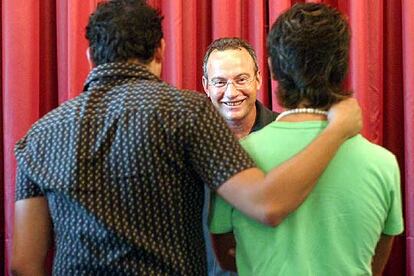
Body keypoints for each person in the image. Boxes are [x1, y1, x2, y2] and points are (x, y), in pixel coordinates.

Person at [11, 1, 362, 275]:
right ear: (161, 50)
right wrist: (337, 129)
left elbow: (23, 264)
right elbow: (267, 205)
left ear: (90, 56)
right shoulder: (186, 112)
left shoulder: (37, 137)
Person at [209, 3, 404, 276]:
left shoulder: (235, 158)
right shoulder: (384, 164)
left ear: (270, 70)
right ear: (343, 67)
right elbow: (374, 263)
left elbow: (227, 256)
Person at [201, 37, 277, 276]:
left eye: (241, 79)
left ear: (258, 79)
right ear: (206, 86)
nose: (231, 93)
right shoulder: (186, 141)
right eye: (219, 82)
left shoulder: (284, 133)